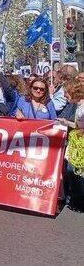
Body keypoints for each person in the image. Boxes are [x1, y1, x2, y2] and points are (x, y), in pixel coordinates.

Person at [59, 80, 84, 211]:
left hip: (81, 143)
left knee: (75, 170)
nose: (64, 96)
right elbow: (79, 125)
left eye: (66, 93)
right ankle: (77, 197)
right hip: (77, 141)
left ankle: (79, 199)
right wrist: (66, 122)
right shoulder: (79, 106)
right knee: (72, 169)